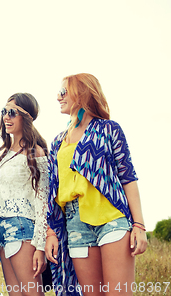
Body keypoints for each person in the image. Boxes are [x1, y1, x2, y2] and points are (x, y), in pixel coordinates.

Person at [45, 73, 147, 296]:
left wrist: (138, 225)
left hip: (111, 218)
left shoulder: (109, 129)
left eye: (63, 92)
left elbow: (127, 177)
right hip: (75, 224)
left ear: (80, 93)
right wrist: (51, 231)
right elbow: (52, 191)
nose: (58, 97)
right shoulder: (57, 141)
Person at [0, 93, 49, 296]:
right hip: (3, 232)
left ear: (26, 117)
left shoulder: (35, 152)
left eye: (12, 112)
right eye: (4, 111)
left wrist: (40, 247)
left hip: (23, 230)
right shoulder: (4, 154)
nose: (6, 117)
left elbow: (43, 200)